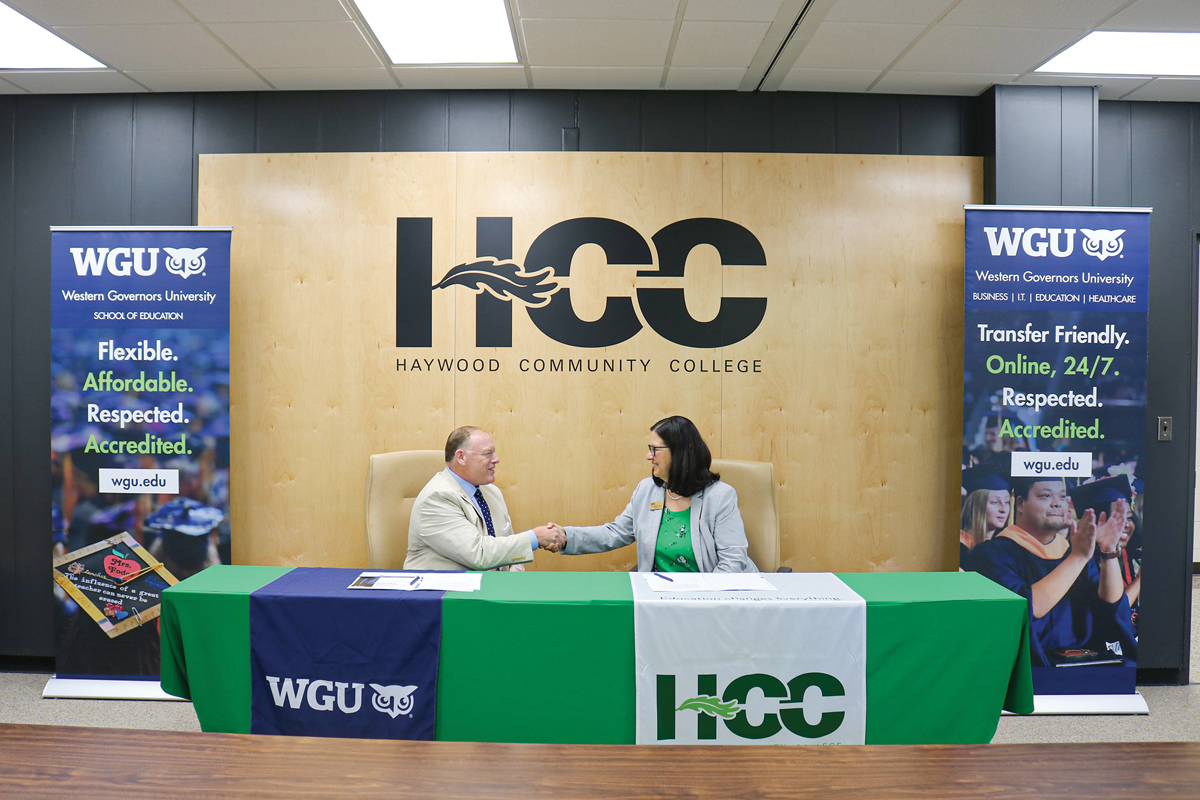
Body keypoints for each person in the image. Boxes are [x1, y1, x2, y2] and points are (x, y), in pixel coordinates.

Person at [549, 416, 757, 573]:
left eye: (654, 449)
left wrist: (700, 603)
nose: (648, 456)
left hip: (710, 603)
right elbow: (615, 533)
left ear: (680, 453)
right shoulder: (647, 490)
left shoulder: (720, 496)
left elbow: (733, 562)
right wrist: (566, 537)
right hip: (660, 601)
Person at [968, 476, 1136, 668]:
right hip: (1028, 667)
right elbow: (1025, 607)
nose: (1057, 503)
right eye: (1046, 496)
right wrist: (1078, 557)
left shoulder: (1071, 551)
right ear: (1020, 504)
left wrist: (1108, 551)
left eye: (1063, 496)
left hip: (1085, 661)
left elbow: (1111, 605)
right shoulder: (991, 554)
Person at [404, 426, 563, 571]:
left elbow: (512, 553)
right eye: (488, 453)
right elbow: (478, 554)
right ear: (461, 457)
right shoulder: (436, 498)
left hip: (491, 592)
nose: (496, 459)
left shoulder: (492, 492)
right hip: (447, 596)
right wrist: (536, 537)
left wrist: (512, 589)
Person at [959, 465, 1010, 570]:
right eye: (995, 502)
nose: (1003, 509)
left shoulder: (1003, 548)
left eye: (1007, 502)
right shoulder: (957, 548)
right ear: (973, 505)